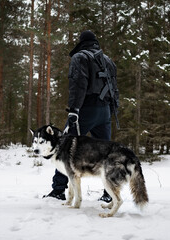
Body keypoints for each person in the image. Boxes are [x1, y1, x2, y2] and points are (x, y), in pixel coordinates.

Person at [43, 30, 119, 203]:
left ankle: (58, 190)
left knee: (65, 149)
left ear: (81, 42)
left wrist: (74, 110)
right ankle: (110, 193)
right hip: (105, 110)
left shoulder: (80, 57)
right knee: (106, 153)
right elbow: (115, 88)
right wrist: (114, 108)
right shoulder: (107, 60)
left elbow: (78, 85)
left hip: (86, 110)